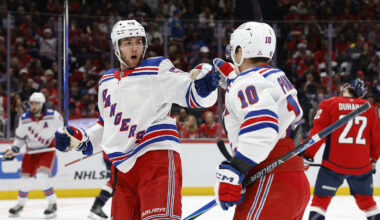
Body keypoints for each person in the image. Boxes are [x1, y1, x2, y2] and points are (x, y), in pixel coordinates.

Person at [54, 19, 219, 219]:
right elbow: (107, 127)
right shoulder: (106, 82)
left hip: (156, 160)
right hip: (122, 171)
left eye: (138, 41)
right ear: (117, 47)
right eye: (127, 42)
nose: (135, 48)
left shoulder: (158, 69)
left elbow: (194, 95)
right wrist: (78, 140)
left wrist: (205, 86)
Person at [212, 21, 310, 219]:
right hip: (295, 180)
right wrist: (232, 80)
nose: (231, 55)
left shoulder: (246, 83)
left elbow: (262, 127)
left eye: (233, 50)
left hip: (270, 179)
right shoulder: (277, 76)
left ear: (240, 50)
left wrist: (236, 170)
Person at [303, 79, 380, 220]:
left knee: (321, 200)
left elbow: (318, 134)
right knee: (368, 202)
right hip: (362, 166)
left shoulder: (329, 104)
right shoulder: (368, 107)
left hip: (334, 165)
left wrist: (308, 155)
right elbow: (376, 137)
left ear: (346, 87)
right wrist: (373, 160)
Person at [2, 92, 63, 218]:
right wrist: (14, 149)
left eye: (37, 103)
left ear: (42, 104)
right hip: (31, 151)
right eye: (32, 103)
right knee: (25, 180)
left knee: (42, 176)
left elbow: (62, 131)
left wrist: (64, 141)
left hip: (47, 150)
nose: (34, 106)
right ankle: (19, 204)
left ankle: (52, 204)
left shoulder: (53, 116)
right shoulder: (24, 118)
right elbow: (20, 139)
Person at [88, 153, 115, 220]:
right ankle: (96, 207)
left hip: (111, 154)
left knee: (114, 181)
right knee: (114, 181)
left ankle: (96, 207)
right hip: (114, 155)